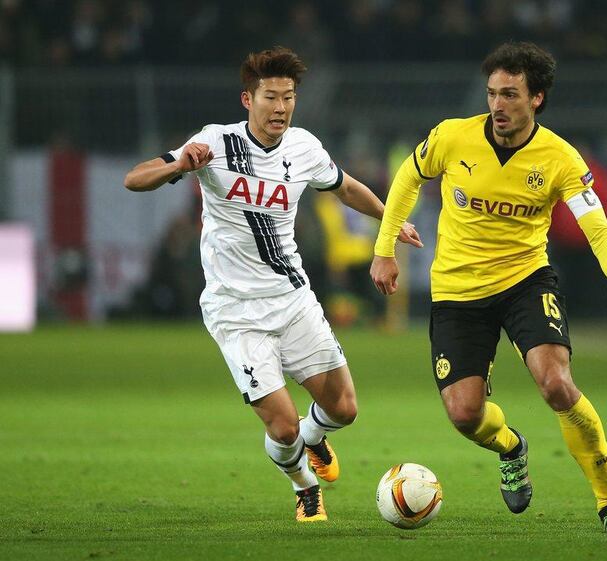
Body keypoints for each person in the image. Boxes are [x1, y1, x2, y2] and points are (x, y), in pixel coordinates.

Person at [123, 47, 421, 522]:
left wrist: (391, 221)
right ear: (248, 99)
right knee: (282, 428)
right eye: (271, 97)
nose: (281, 107)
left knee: (344, 408)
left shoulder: (304, 147)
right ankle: (304, 486)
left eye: (288, 97)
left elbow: (344, 187)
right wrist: (179, 166)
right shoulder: (214, 143)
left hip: (292, 300)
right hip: (236, 310)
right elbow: (135, 179)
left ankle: (316, 438)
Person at [370, 41, 607, 534]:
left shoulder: (560, 158)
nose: (497, 105)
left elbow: (599, 230)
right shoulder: (452, 138)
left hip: (525, 279)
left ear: (536, 98)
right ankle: (512, 448)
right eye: (492, 94)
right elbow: (408, 177)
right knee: (463, 413)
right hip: (457, 290)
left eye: (510, 95)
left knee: (557, 384)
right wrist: (384, 246)